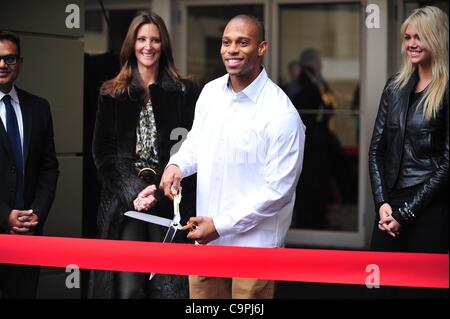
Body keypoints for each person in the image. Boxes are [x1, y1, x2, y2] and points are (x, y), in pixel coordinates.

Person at [154, 15, 305, 299]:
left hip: (254, 249)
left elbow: (278, 191)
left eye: (242, 42)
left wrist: (220, 226)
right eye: (226, 42)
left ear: (262, 48)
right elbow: (197, 143)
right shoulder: (210, 93)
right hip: (207, 245)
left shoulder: (281, 114)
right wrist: (177, 165)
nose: (232, 49)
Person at [88, 12, 200, 299]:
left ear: (164, 45)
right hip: (125, 203)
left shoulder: (185, 91)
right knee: (129, 290)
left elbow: (189, 146)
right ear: (131, 45)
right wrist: (135, 192)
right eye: (141, 39)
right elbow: (103, 154)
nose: (148, 46)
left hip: (171, 200)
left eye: (155, 39)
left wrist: (161, 190)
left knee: (168, 290)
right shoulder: (112, 92)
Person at [369, 6, 448, 254]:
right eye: (407, 37)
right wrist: (382, 203)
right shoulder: (394, 86)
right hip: (390, 207)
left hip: (430, 208)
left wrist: (407, 212)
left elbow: (448, 164)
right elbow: (376, 150)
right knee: (379, 287)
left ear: (436, 39)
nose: (411, 44)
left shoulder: (445, 89)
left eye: (419, 37)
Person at [0, 31, 59, 298]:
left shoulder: (39, 107)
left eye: (9, 58)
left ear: (20, 63)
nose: (2, 64)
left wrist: (36, 212)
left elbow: (49, 168)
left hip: (29, 235)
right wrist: (5, 216)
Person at [290, 48, 347, 229]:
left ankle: (318, 219)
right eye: (318, 60)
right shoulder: (304, 82)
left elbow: (329, 104)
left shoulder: (316, 81)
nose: (321, 65)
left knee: (320, 182)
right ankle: (311, 222)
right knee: (310, 184)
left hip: (318, 140)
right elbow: (313, 106)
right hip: (310, 141)